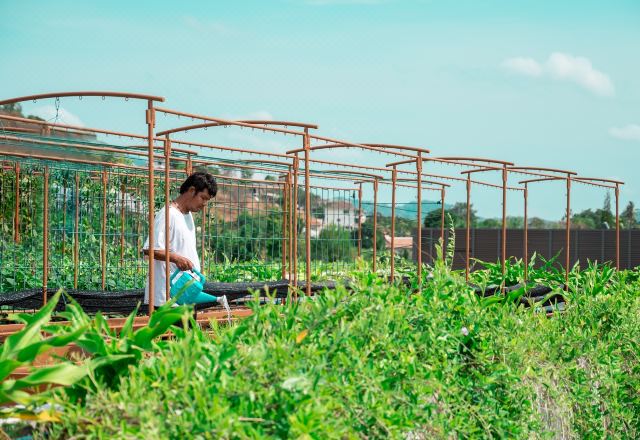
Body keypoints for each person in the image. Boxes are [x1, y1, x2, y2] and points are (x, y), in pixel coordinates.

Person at [143, 171, 217, 307]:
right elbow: (150, 249)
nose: (205, 204)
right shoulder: (168, 215)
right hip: (167, 296)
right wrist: (177, 259)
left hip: (184, 293)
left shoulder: (187, 215)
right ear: (191, 190)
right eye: (203, 198)